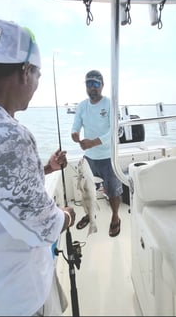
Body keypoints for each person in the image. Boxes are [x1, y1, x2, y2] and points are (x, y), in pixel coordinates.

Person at [0, 19, 76, 316]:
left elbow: (3, 184)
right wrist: (68, 215)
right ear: (25, 71)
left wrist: (46, 168)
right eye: (38, 74)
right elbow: (45, 226)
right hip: (18, 298)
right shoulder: (11, 137)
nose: (37, 83)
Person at [71, 70, 123, 237]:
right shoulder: (82, 106)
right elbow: (76, 125)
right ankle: (89, 214)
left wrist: (93, 142)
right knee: (87, 191)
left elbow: (115, 131)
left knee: (113, 191)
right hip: (89, 159)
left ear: (102, 85)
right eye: (89, 84)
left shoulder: (110, 104)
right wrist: (75, 134)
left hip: (108, 157)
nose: (92, 88)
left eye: (95, 84)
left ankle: (115, 217)